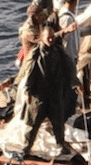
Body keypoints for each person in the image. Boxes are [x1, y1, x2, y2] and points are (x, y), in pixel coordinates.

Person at [18, 25, 80, 155]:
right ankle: (26, 147)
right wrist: (28, 91)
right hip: (39, 94)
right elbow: (29, 73)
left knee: (58, 122)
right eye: (48, 38)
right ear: (42, 38)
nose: (51, 40)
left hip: (54, 93)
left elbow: (69, 67)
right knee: (33, 123)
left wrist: (75, 83)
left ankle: (60, 144)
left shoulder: (59, 52)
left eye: (52, 37)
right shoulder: (35, 55)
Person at [58, 0, 79, 66]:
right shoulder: (67, 18)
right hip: (68, 58)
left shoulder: (66, 14)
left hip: (69, 57)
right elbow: (66, 40)